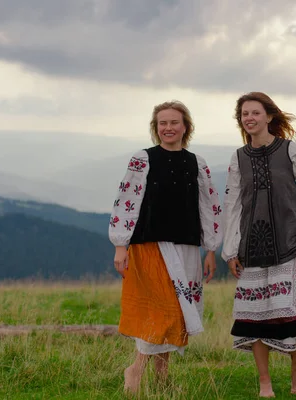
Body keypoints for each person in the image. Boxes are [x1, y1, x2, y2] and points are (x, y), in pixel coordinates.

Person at [222, 92, 296, 397]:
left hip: (290, 241)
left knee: (291, 314)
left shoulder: (289, 150)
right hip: (252, 248)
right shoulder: (238, 158)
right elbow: (231, 204)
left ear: (269, 117)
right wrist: (230, 249)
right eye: (244, 114)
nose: (249, 118)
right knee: (254, 315)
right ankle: (265, 382)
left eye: (255, 113)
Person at [108, 100, 222, 394]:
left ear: (186, 127)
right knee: (159, 311)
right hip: (150, 244)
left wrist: (211, 249)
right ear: (155, 127)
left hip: (186, 245)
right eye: (162, 123)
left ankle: (162, 374)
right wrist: (120, 244)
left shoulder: (197, 163)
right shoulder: (142, 159)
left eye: (174, 122)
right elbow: (127, 200)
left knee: (177, 311)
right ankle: (135, 370)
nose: (168, 128)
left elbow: (208, 206)